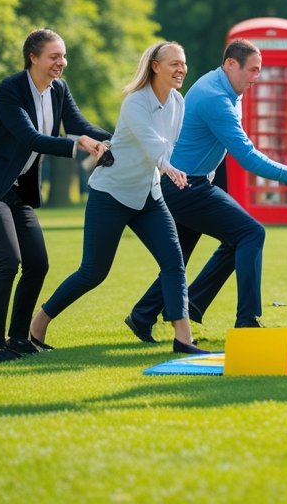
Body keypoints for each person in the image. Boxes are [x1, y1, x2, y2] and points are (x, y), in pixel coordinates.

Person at [125, 39, 287, 339]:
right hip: (185, 185)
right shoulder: (215, 97)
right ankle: (247, 320)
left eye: (260, 70)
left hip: (188, 183)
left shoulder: (224, 89)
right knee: (251, 233)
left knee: (183, 257)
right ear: (230, 64)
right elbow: (246, 154)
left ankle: (145, 314)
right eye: (252, 70)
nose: (256, 77)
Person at [29, 43, 206, 354]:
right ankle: (39, 322)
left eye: (183, 63)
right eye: (174, 64)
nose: (181, 69)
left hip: (149, 195)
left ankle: (183, 340)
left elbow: (172, 146)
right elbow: (152, 144)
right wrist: (168, 168)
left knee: (174, 263)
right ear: (155, 67)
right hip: (111, 193)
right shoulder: (136, 102)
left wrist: (190, 170)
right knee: (93, 272)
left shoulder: (177, 101)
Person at [0, 29, 111, 363]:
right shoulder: (10, 90)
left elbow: (78, 124)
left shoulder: (59, 89)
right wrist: (78, 144)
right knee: (7, 262)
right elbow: (30, 138)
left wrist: (119, 138)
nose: (62, 62)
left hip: (16, 192)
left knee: (38, 264)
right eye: (54, 56)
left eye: (63, 56)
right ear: (33, 58)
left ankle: (17, 338)